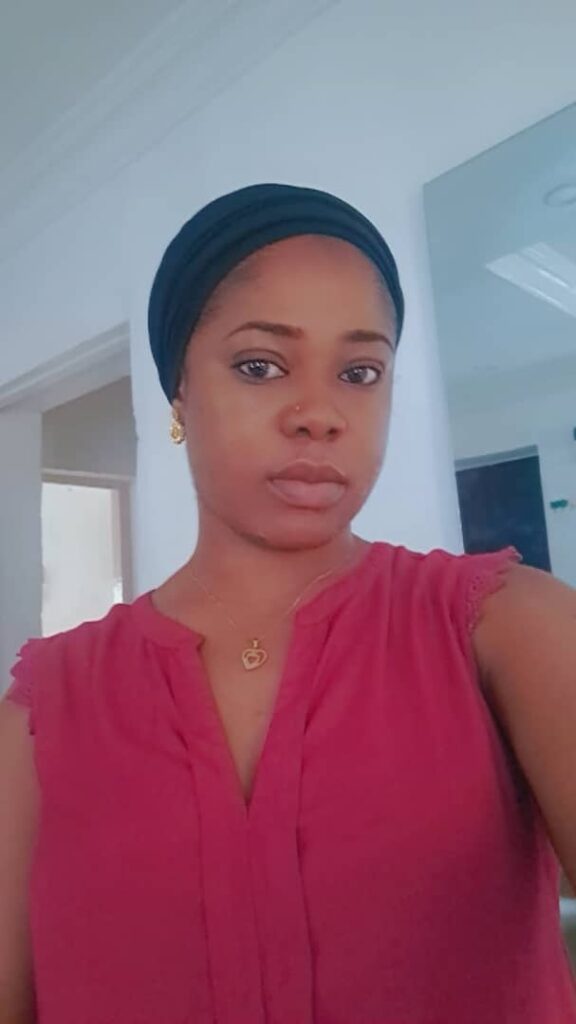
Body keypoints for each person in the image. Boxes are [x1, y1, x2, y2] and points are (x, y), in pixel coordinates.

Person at [1, 183, 575, 1024]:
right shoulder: (42, 713)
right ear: (178, 393)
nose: (319, 415)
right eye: (260, 365)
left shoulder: (506, 625)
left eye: (359, 373)